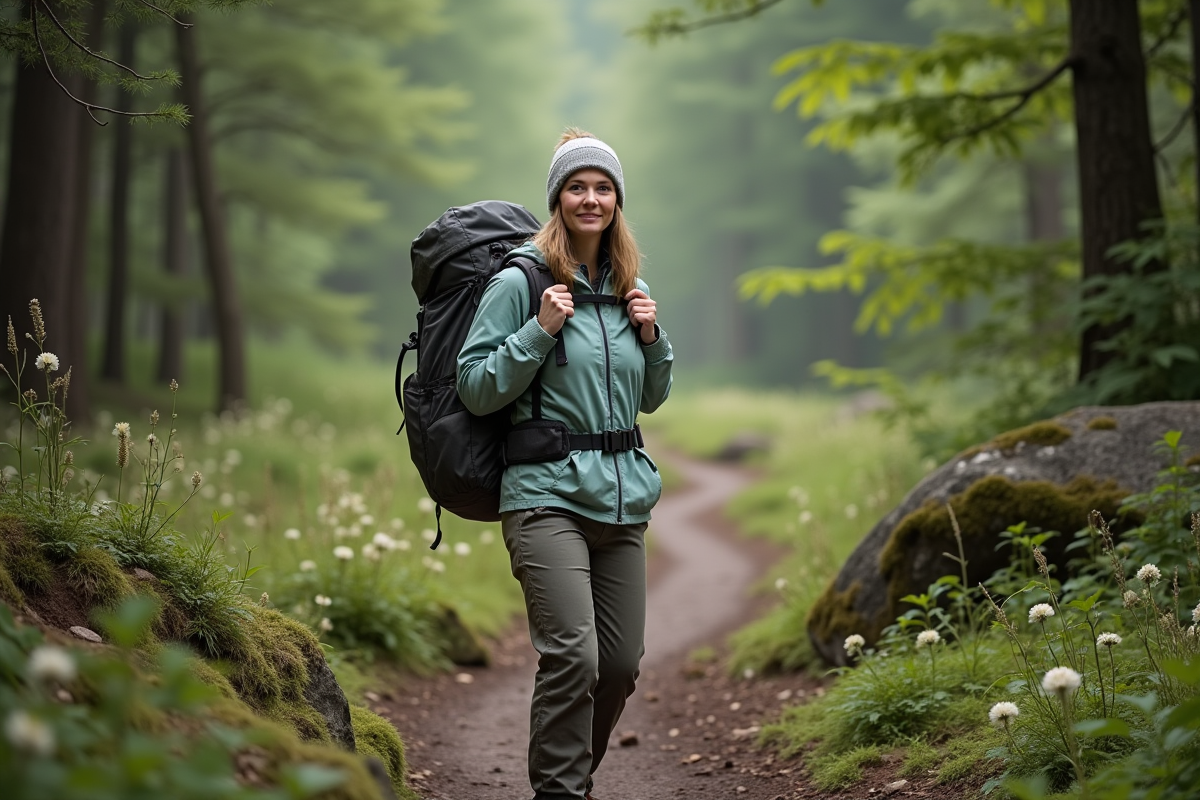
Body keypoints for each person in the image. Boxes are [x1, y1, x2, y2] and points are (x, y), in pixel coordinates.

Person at [457, 128, 673, 800]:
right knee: (572, 657)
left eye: (602, 187)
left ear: (616, 200)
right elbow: (477, 384)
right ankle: (561, 792)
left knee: (619, 667)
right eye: (577, 186)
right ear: (557, 198)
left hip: (622, 502)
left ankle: (570, 779)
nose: (590, 198)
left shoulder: (628, 283)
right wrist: (539, 329)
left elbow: (651, 398)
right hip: (545, 497)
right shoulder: (522, 280)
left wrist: (652, 338)